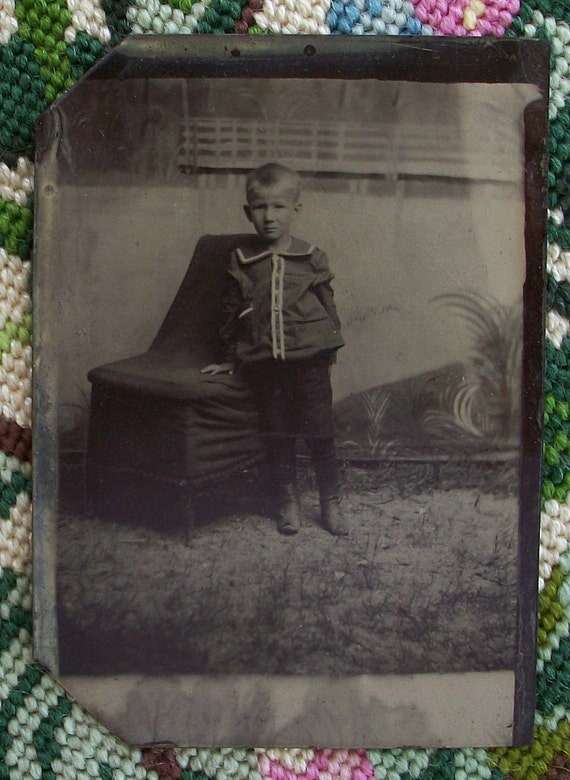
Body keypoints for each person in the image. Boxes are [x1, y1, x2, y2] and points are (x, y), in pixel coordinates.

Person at [202, 163, 347, 536]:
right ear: (248, 211)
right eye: (261, 207)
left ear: (296, 210)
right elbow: (230, 312)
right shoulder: (242, 260)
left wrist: (329, 347)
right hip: (265, 362)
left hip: (310, 362)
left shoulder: (311, 256)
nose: (269, 217)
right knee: (277, 431)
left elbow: (328, 307)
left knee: (319, 430)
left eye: (279, 207)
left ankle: (331, 500)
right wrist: (229, 357)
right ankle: (287, 499)